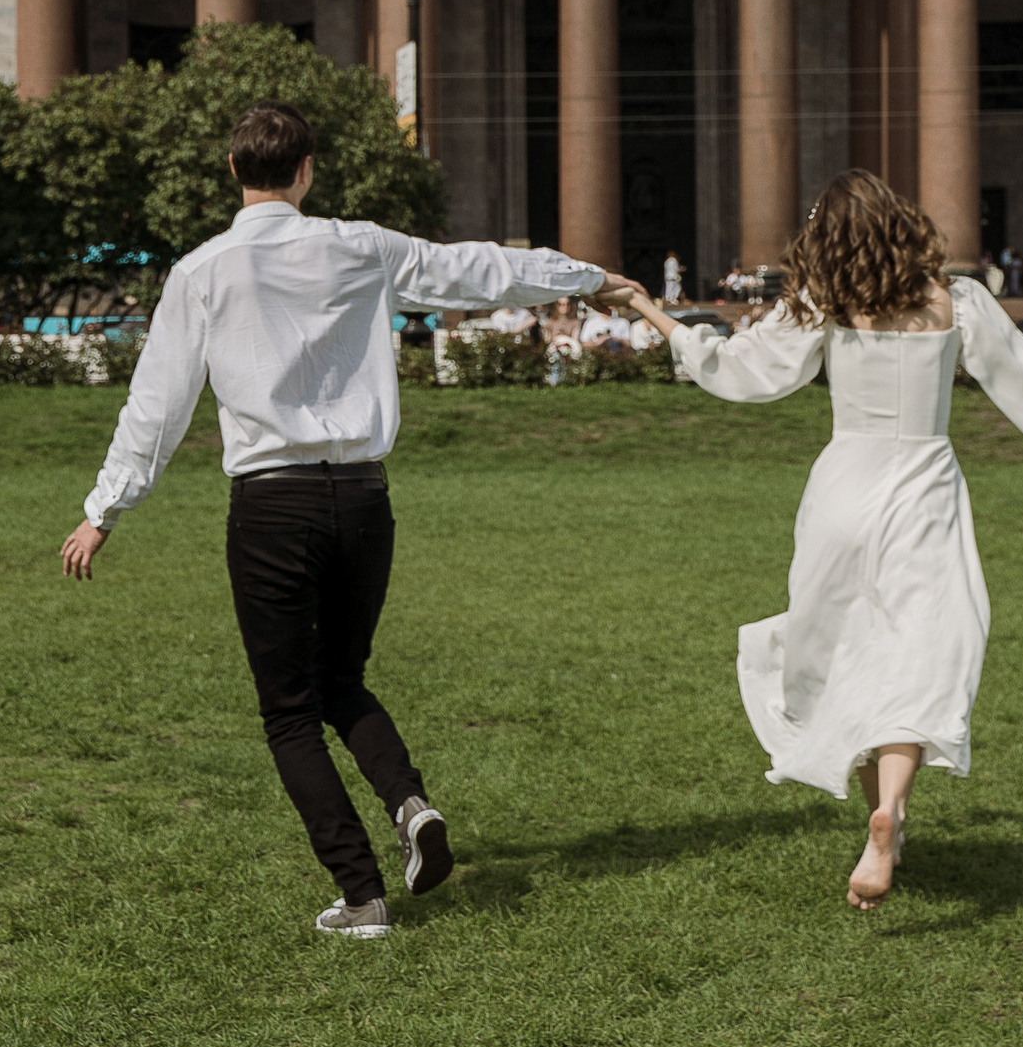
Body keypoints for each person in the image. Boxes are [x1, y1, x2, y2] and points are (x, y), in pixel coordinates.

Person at [61, 100, 620, 940]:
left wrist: (105, 508)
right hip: (363, 495)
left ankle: (361, 897)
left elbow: (158, 403)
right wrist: (584, 277)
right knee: (342, 680)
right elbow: (473, 271)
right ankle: (411, 806)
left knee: (289, 711)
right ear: (307, 169)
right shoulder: (359, 245)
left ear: (232, 169)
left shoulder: (203, 270)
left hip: (272, 503)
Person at [611, 172, 1023, 910]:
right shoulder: (957, 301)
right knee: (922, 649)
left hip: (843, 488)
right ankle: (893, 814)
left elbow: (737, 370)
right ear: (902, 223)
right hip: (923, 485)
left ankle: (883, 823)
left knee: (848, 647)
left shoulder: (821, 304)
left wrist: (649, 311)